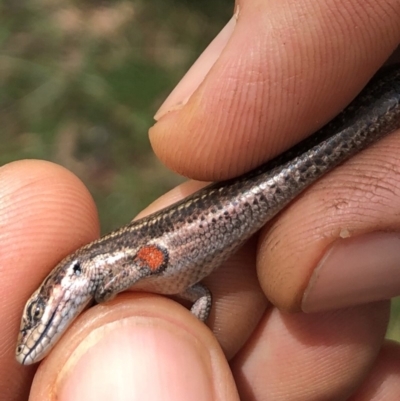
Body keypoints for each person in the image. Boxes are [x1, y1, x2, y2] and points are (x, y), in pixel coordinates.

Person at [3, 0, 400, 399]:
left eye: (37, 314)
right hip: (225, 221)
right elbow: (201, 294)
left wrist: (114, 288)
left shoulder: (104, 268)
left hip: (227, 206)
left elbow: (153, 256)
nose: (38, 330)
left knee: (324, 150)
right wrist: (194, 331)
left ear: (67, 275)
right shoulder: (113, 279)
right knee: (330, 154)